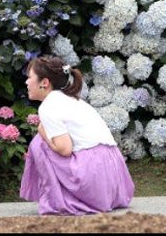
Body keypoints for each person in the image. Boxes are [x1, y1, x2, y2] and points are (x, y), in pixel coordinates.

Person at [19, 55, 134, 215]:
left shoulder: (49, 105)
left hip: (93, 176)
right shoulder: (72, 99)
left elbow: (65, 149)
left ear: (44, 82)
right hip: (114, 177)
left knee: (39, 143)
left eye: (30, 77)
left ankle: (59, 199)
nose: (26, 82)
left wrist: (43, 133)